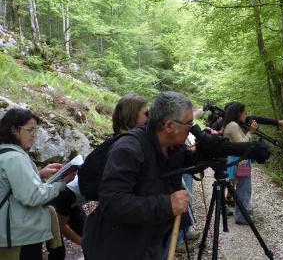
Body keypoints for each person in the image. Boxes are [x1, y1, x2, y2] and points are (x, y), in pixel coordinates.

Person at [82, 91, 194, 260]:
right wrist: (167, 204)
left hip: (149, 241)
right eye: (189, 123)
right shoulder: (129, 148)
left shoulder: (170, 147)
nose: (191, 129)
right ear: (169, 126)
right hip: (117, 248)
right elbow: (112, 203)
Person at [48, 93, 149, 260]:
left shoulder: (121, 140)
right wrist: (84, 243)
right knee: (57, 249)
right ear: (132, 115)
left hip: (75, 200)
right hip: (51, 203)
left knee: (90, 234)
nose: (149, 117)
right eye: (146, 113)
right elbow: (61, 227)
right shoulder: (65, 195)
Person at [0, 108, 74, 260]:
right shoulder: (15, 158)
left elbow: (10, 186)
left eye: (36, 130)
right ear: (14, 130)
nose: (34, 135)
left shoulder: (4, 154)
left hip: (10, 234)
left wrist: (39, 174)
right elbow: (32, 196)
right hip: (19, 237)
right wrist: (61, 183)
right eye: (30, 130)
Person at [222, 102, 258, 225]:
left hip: (238, 162)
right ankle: (241, 217)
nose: (246, 115)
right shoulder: (232, 125)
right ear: (238, 113)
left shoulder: (232, 125)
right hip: (238, 163)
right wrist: (250, 132)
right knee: (244, 189)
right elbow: (241, 144)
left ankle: (242, 212)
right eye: (244, 113)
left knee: (243, 188)